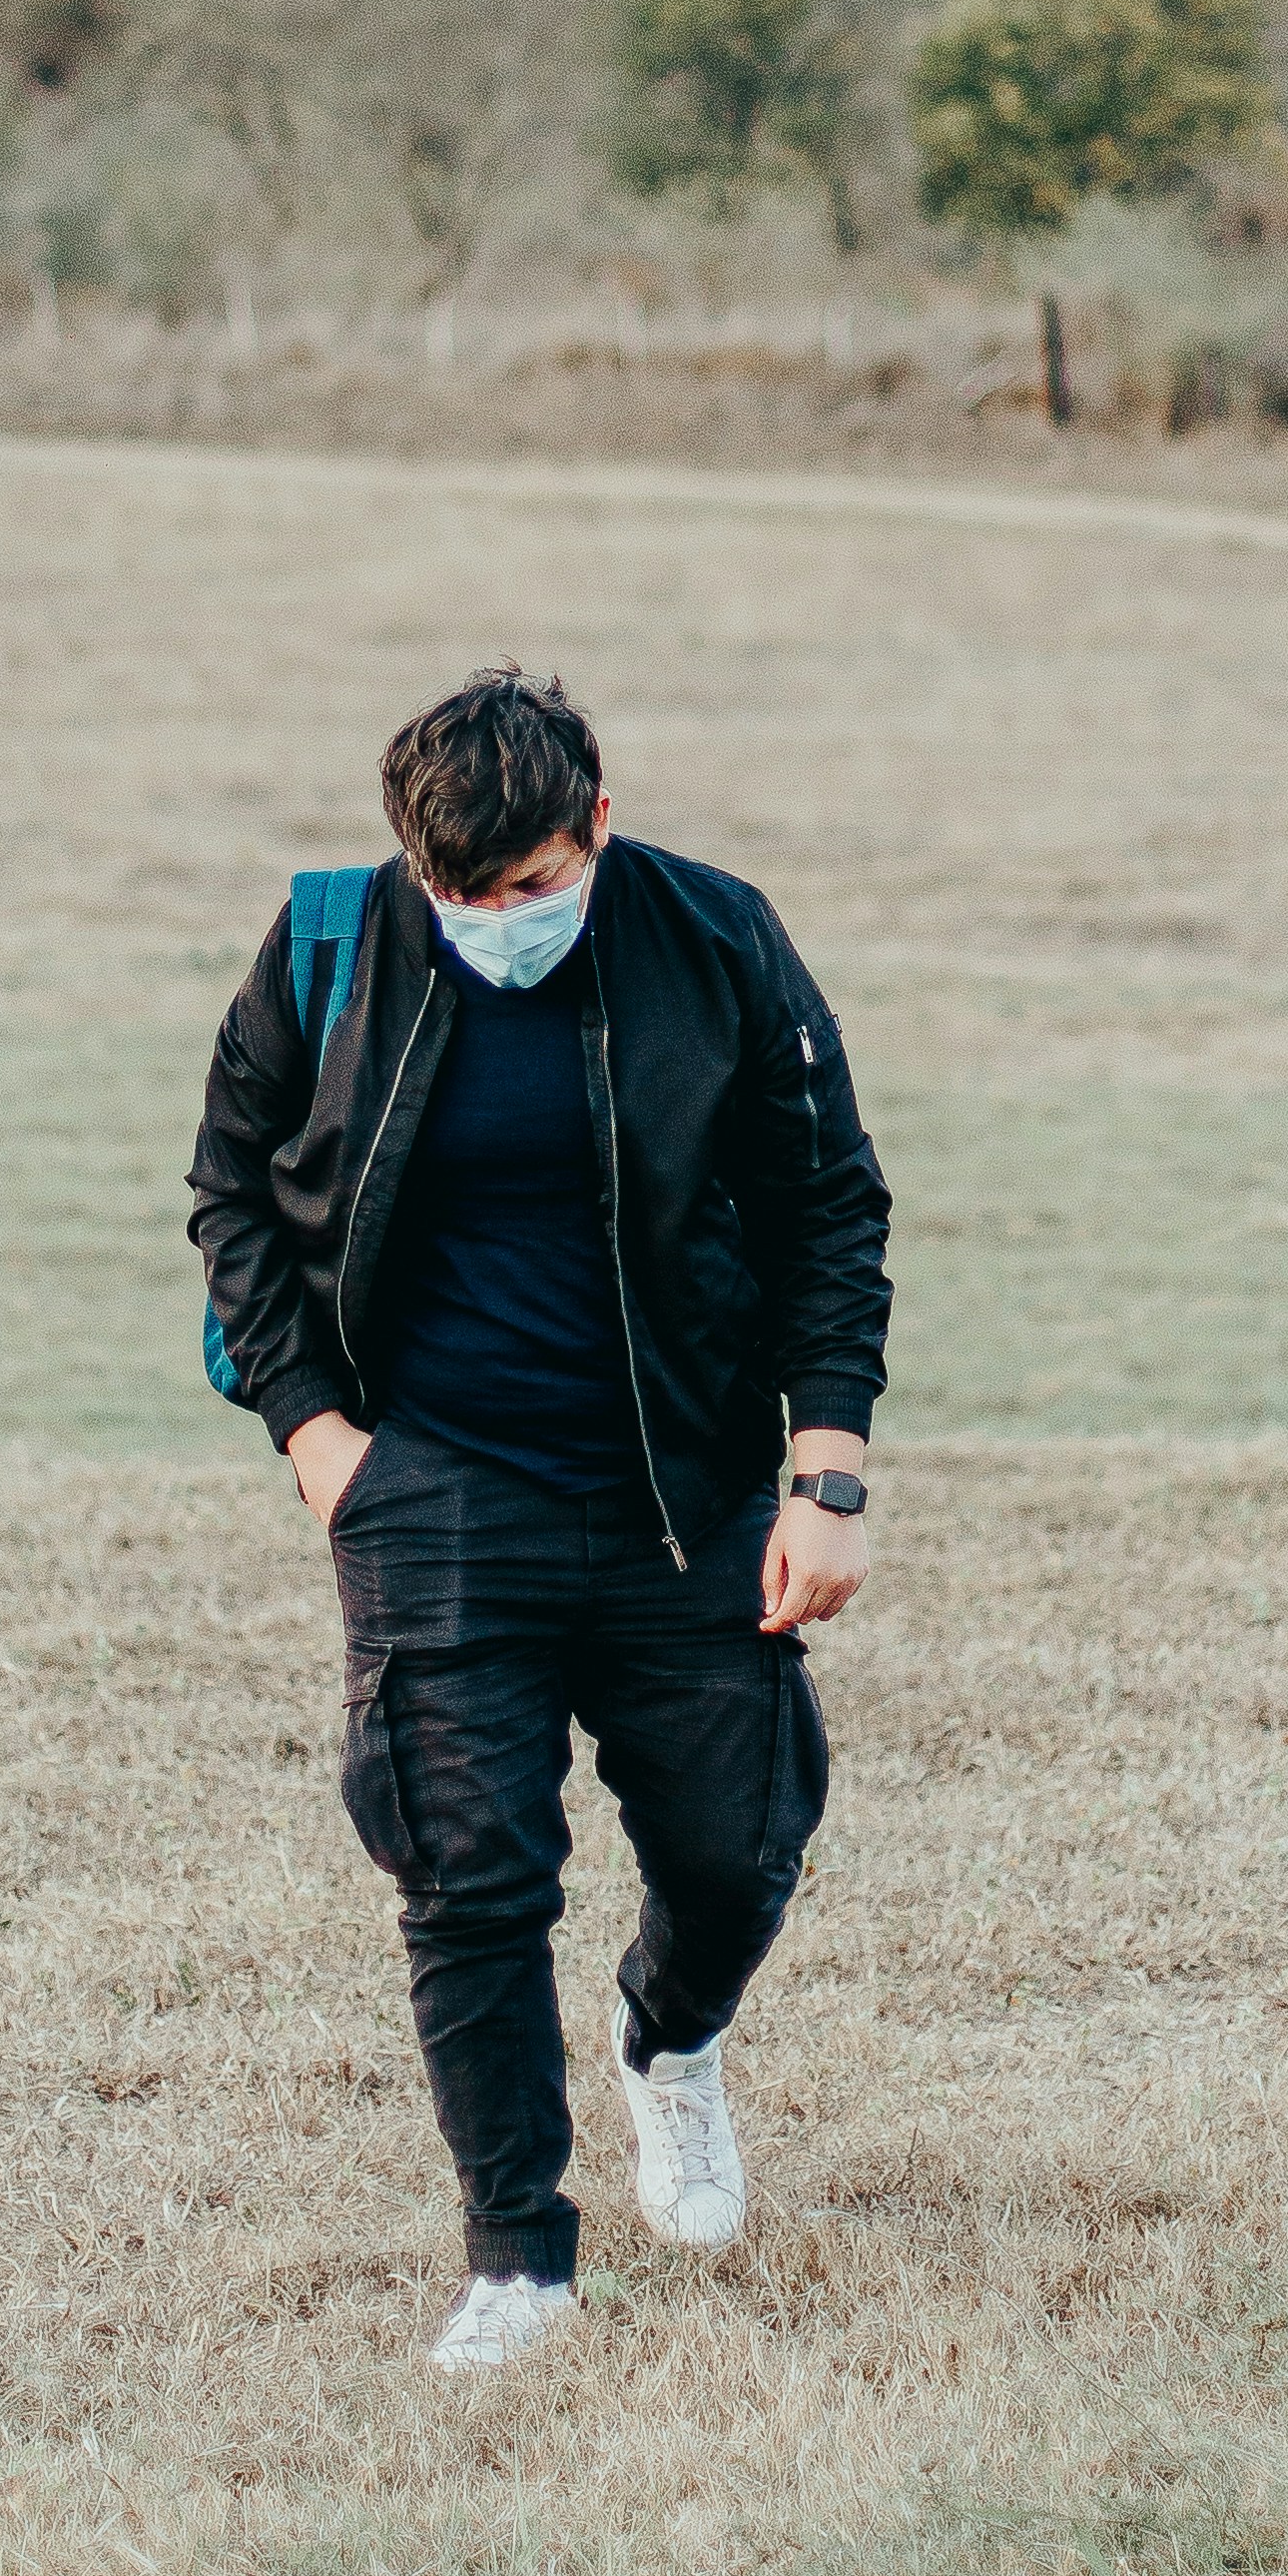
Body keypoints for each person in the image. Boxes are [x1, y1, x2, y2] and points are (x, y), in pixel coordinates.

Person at [190, 664, 891, 2372]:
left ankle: (671, 2042)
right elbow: (230, 1192)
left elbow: (825, 1204)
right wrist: (321, 1443)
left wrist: (825, 1471)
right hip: (433, 1497)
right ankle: (517, 2260)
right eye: (461, 892)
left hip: (683, 1495)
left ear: (600, 821)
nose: (498, 921)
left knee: (737, 1847)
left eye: (532, 885)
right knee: (468, 1881)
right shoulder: (331, 945)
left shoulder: (715, 938)